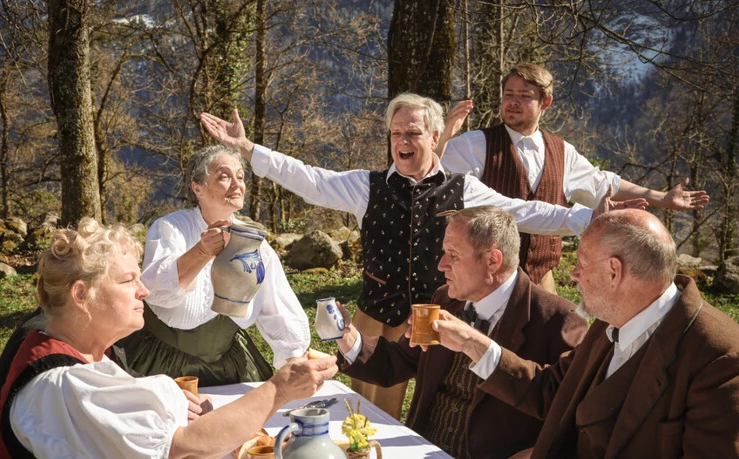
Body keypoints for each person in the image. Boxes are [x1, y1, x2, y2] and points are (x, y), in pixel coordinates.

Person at [200, 94, 645, 418]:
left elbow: (525, 212)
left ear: (435, 136)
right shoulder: (365, 186)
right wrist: (248, 150)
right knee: (369, 414)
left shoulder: (464, 188)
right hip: (376, 315)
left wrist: (586, 219)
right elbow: (308, 178)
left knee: (437, 405)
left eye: (412, 132)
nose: (402, 141)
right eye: (396, 133)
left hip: (437, 313)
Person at [0, 218, 338, 458]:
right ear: (82, 295)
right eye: (127, 281)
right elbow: (185, 447)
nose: (143, 290)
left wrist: (170, 406)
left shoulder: (82, 353)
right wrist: (279, 389)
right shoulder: (63, 386)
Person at [430, 209, 739, 458]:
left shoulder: (720, 357)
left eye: (581, 263)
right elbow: (552, 390)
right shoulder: (608, 323)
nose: (574, 274)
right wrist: (473, 343)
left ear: (614, 272)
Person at [334, 206, 588, 458]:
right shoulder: (446, 299)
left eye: (453, 255)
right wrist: (346, 336)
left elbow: (570, 412)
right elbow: (399, 361)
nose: (441, 265)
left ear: (492, 261)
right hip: (420, 449)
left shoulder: (559, 319)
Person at [436, 63, 709, 293]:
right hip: (485, 277)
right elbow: (433, 176)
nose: (513, 102)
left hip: (542, 277)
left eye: (524, 96)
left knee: (550, 350)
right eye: (509, 95)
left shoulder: (562, 152)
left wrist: (661, 197)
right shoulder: (475, 144)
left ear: (546, 102)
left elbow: (603, 184)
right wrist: (444, 136)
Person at [119, 145, 310, 385]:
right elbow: (155, 290)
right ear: (197, 188)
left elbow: (278, 306)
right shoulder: (170, 228)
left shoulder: (255, 244)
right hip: (160, 363)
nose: (237, 184)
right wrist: (201, 251)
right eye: (224, 176)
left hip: (230, 363)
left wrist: (294, 357)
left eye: (240, 177)